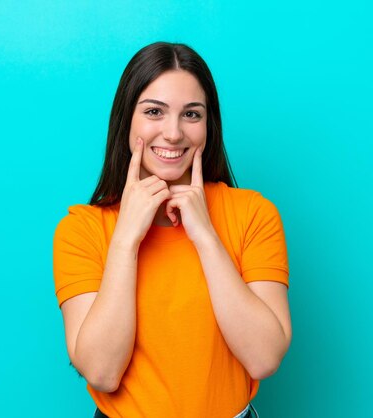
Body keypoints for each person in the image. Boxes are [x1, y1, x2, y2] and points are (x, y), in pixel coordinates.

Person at [53, 42, 292, 418]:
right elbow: (101, 372)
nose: (174, 133)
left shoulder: (253, 215)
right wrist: (126, 240)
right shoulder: (81, 230)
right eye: (154, 112)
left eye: (191, 114)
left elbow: (264, 359)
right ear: (126, 121)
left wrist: (206, 237)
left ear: (208, 124)